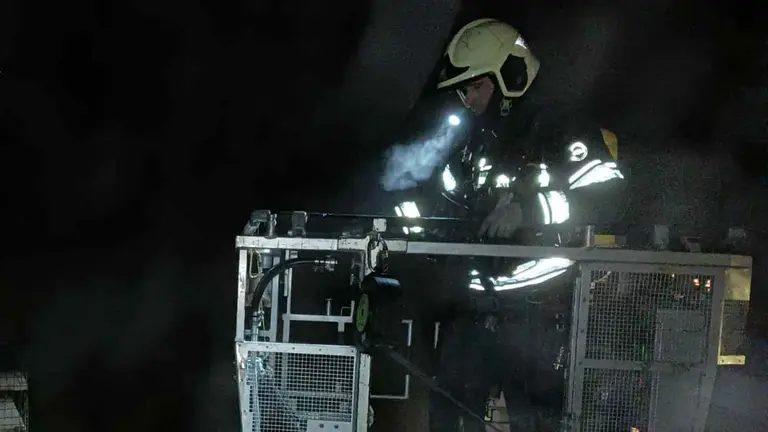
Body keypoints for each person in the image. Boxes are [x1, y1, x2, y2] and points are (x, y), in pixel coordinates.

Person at [390, 18, 626, 431]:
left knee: (535, 422)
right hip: (471, 308)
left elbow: (608, 198)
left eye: (474, 86)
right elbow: (451, 201)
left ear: (508, 76)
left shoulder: (558, 127)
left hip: (538, 311)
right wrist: (417, 223)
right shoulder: (473, 136)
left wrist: (528, 211)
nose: (467, 98)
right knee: (448, 418)